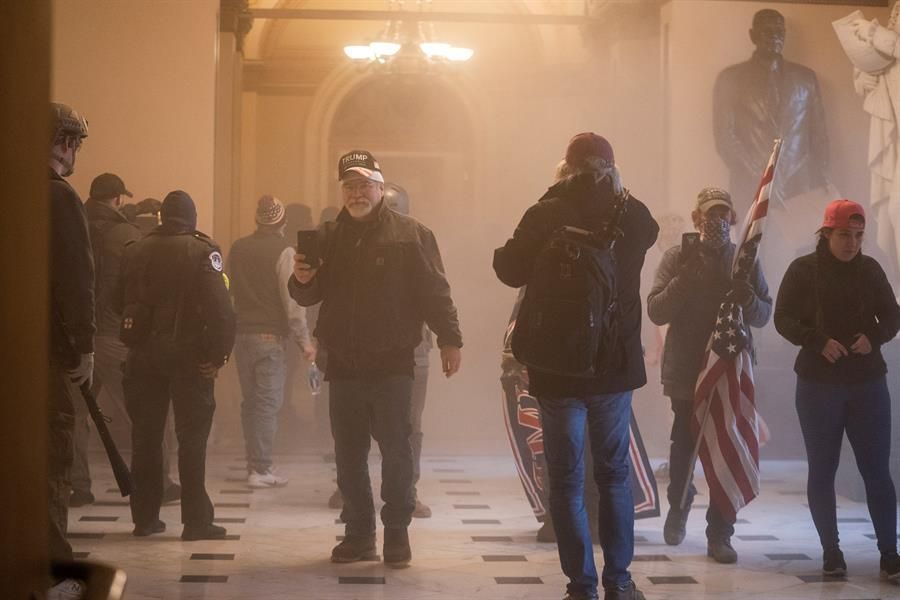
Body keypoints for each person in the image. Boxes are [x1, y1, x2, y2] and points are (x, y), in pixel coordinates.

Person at [494, 132, 658, 600]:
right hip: (613, 367)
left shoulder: (546, 212)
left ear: (564, 169)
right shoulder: (632, 215)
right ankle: (620, 582)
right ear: (612, 168)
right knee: (613, 475)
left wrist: (555, 198)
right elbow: (649, 234)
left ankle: (580, 586)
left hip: (556, 368)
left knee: (566, 479)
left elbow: (508, 269)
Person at [290, 149, 463, 568]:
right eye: (349, 185)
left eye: (365, 184)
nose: (357, 192)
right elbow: (309, 296)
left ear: (381, 188)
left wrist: (450, 338)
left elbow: (435, 291)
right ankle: (359, 534)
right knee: (348, 455)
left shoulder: (412, 233)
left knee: (397, 453)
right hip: (344, 364)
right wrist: (301, 279)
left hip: (393, 363)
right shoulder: (329, 236)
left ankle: (397, 534)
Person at [774, 199, 900, 580]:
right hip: (818, 384)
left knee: (877, 470)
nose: (852, 243)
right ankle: (832, 550)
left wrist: (874, 337)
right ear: (827, 233)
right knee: (823, 468)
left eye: (859, 236)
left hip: (867, 384)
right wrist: (815, 339)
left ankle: (890, 552)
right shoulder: (803, 270)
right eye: (845, 235)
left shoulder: (870, 269)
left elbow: (893, 315)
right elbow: (783, 318)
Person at [646, 187, 772, 564]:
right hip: (686, 370)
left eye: (723, 214)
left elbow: (764, 313)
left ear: (732, 219)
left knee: (725, 446)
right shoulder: (677, 257)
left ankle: (720, 532)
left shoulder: (743, 260)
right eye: (709, 214)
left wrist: (745, 295)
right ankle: (679, 507)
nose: (716, 220)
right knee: (684, 447)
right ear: (696, 218)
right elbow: (656, 310)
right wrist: (687, 276)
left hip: (729, 369)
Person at [117, 190, 235, 540]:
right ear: (192, 219)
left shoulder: (134, 250)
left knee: (146, 438)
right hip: (188, 357)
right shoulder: (202, 250)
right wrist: (218, 356)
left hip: (141, 356)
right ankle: (196, 522)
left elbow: (115, 301)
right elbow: (222, 311)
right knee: (192, 440)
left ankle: (144, 518)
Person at [70, 173, 181, 508]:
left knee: (75, 414)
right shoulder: (126, 235)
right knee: (147, 412)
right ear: (118, 198)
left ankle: (78, 486)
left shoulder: (74, 223)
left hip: (75, 336)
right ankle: (159, 483)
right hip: (112, 335)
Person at [229, 195, 315, 488]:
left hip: (241, 335)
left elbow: (227, 290)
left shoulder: (238, 248)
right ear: (283, 223)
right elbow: (291, 299)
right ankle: (261, 468)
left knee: (251, 402)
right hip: (269, 337)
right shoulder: (284, 251)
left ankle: (253, 462)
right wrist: (304, 341)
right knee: (268, 403)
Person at [713, 8, 829, 214]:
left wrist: (821, 180)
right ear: (753, 35)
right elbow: (725, 137)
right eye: (767, 31)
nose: (775, 36)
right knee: (751, 246)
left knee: (803, 245)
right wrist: (764, 177)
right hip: (750, 186)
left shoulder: (805, 78)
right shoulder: (730, 78)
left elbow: (818, 136)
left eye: (779, 31)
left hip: (799, 186)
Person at [47, 101, 94, 600]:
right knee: (52, 458)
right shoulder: (59, 196)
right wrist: (85, 346)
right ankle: (52, 567)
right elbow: (78, 280)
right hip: (50, 352)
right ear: (65, 143)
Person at [849, 5, 900, 279]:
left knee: (896, 209)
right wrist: (863, 79)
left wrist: (873, 32)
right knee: (890, 216)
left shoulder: (886, 38)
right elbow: (876, 74)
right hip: (894, 143)